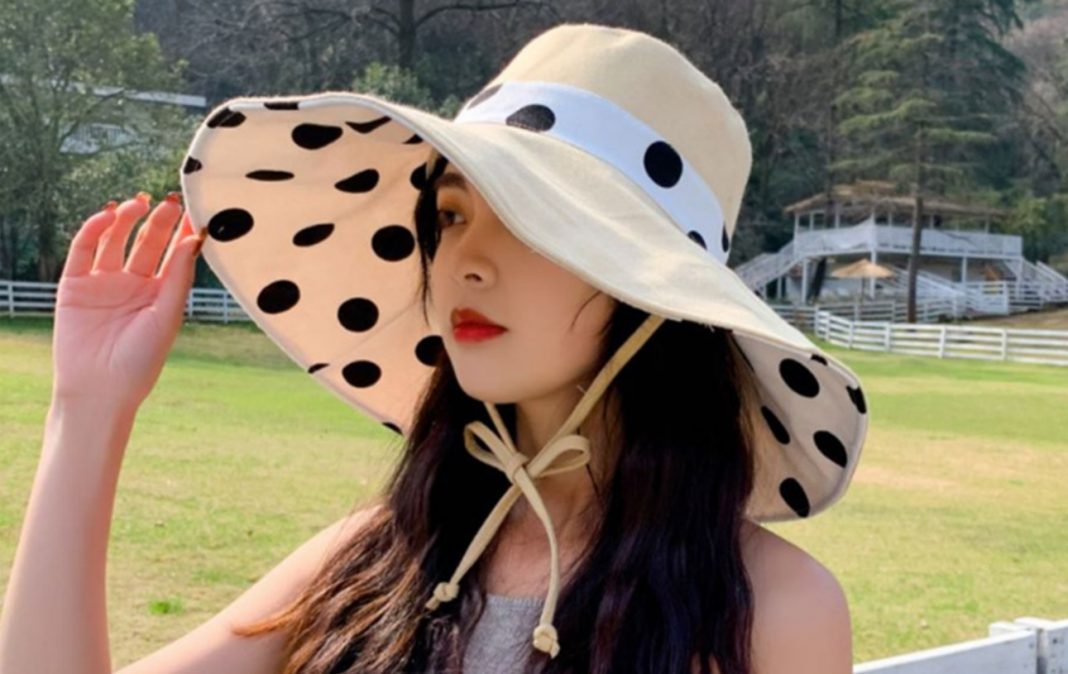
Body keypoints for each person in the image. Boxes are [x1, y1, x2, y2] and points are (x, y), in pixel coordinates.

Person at [0, 23, 867, 674]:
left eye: (530, 219)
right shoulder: (381, 555)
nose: (465, 263)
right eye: (451, 214)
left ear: (654, 289)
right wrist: (88, 408)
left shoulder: (770, 610)